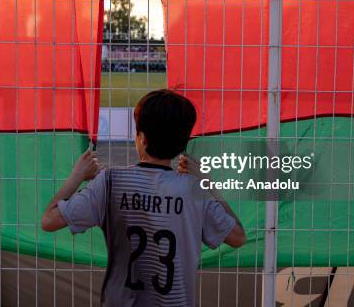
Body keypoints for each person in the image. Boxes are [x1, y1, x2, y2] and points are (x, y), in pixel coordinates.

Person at [41, 89, 246, 306]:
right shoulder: (193, 190)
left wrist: (77, 175)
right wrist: (207, 182)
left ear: (142, 139)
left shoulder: (110, 182)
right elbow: (238, 237)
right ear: (182, 144)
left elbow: (49, 220)